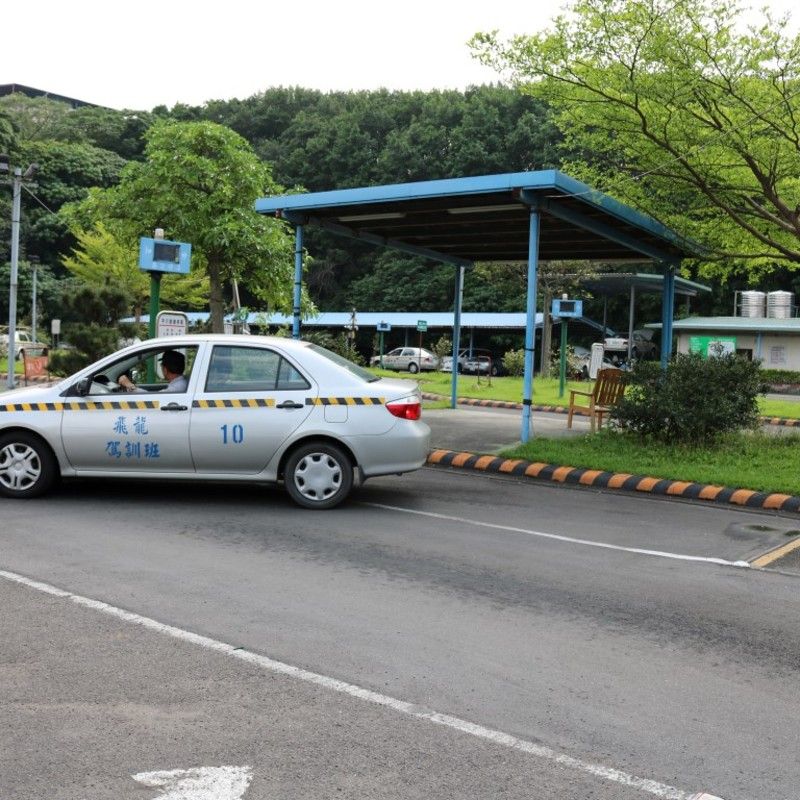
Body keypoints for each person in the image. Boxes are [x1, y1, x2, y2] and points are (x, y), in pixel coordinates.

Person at [118, 349, 188, 393]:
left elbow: (152, 398)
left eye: (161, 365)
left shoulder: (176, 388)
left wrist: (130, 386)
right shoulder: (180, 383)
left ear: (165, 369)